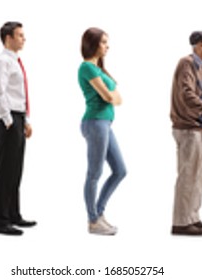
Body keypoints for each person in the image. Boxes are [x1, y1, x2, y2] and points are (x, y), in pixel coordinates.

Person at [169, 31, 202, 237]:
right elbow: (187, 93)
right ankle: (181, 222)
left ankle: (193, 217)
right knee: (188, 175)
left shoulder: (199, 66)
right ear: (200, 45)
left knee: (198, 176)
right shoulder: (187, 63)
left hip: (197, 126)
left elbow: (195, 95)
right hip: (187, 127)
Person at [0, 21, 37, 236]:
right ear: (8, 38)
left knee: (16, 170)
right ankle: (0, 222)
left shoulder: (16, 61)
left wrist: (25, 120)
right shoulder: (1, 62)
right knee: (5, 171)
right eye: (19, 35)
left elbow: (19, 95)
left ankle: (14, 215)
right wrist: (9, 121)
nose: (23, 38)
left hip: (18, 118)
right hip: (7, 119)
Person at [77, 28, 125, 236]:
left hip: (105, 123)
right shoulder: (86, 68)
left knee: (120, 170)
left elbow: (119, 99)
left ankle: (99, 213)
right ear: (93, 44)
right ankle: (93, 220)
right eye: (104, 42)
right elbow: (109, 97)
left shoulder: (100, 69)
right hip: (95, 122)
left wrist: (112, 96)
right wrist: (111, 95)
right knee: (94, 173)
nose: (107, 46)